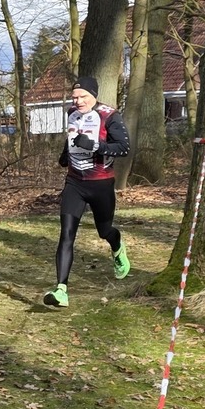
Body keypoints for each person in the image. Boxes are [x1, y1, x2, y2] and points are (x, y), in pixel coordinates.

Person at [43, 76, 131, 307]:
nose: (78, 101)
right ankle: (61, 290)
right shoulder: (71, 113)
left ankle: (117, 247)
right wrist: (65, 154)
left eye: (83, 96)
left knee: (105, 231)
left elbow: (124, 148)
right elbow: (73, 136)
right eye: (74, 97)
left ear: (94, 95)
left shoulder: (109, 116)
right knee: (66, 234)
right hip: (75, 183)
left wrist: (95, 146)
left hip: (101, 184)